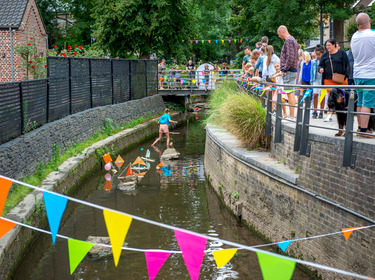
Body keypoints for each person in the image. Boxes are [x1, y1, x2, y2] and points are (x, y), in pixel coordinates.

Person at [351, 12, 375, 138]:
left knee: (360, 102)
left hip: (358, 74)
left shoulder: (354, 37)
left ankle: (360, 127)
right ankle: (364, 131)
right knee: (367, 103)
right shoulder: (373, 35)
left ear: (357, 24)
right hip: (371, 75)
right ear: (369, 21)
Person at [319, 38, 349, 122]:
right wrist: (321, 69)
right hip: (329, 79)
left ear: (334, 45)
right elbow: (320, 65)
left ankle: (341, 113)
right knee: (330, 96)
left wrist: (346, 75)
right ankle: (330, 113)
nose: (327, 47)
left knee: (341, 95)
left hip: (341, 78)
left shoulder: (342, 53)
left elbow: (347, 64)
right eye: (326, 45)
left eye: (329, 45)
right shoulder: (325, 55)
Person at [277, 25, 299, 120]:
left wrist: (284, 69)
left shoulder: (288, 41)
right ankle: (291, 115)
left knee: (290, 93)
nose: (279, 36)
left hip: (289, 71)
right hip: (292, 70)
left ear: (282, 32)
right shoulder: (293, 39)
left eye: (279, 34)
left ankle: (291, 116)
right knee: (290, 92)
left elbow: (290, 56)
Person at [310, 44, 325, 119]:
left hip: (323, 79)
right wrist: (311, 80)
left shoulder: (325, 61)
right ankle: (315, 111)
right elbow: (312, 71)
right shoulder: (313, 62)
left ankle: (321, 111)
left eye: (319, 55)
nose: (318, 56)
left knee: (322, 95)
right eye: (317, 55)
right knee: (315, 94)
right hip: (316, 79)